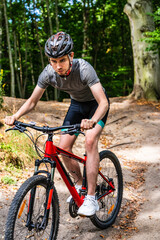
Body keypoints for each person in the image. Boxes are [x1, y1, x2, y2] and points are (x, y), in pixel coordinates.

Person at [5, 31, 110, 216]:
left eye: (61, 60)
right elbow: (32, 102)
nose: (57, 66)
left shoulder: (84, 68)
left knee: (90, 140)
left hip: (95, 105)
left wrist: (93, 121)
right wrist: (15, 116)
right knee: (63, 148)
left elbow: (103, 103)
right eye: (53, 61)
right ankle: (80, 186)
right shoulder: (48, 73)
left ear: (71, 56)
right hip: (77, 105)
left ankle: (92, 199)